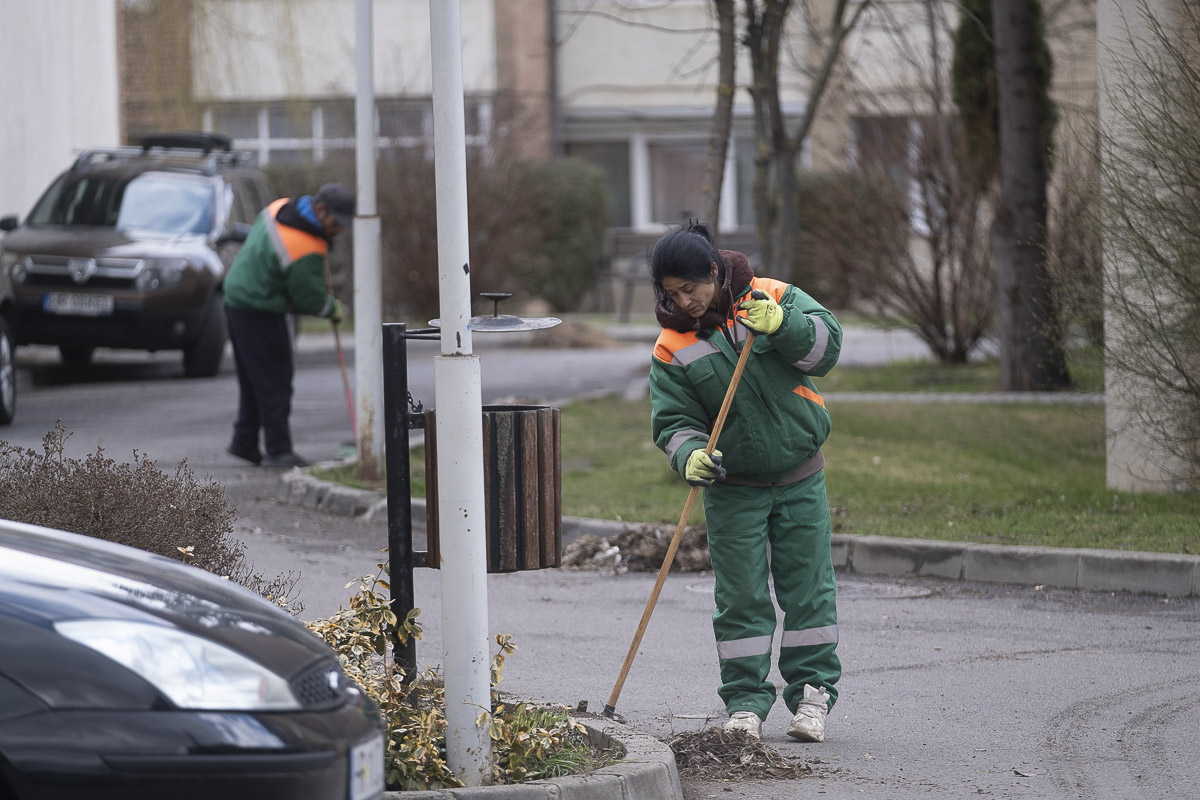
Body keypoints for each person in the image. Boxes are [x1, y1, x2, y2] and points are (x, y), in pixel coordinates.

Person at [647, 221, 842, 742]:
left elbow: (827, 351)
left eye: (691, 288)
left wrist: (784, 325)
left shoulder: (772, 296)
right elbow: (673, 421)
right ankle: (745, 705)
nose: (684, 301)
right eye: (671, 294)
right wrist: (687, 454)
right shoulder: (672, 346)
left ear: (713, 271)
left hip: (801, 475)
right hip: (733, 487)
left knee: (808, 591)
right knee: (741, 598)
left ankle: (812, 698)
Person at [223, 182, 353, 468]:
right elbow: (310, 299)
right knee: (275, 383)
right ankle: (279, 451)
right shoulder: (305, 246)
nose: (339, 229)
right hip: (260, 309)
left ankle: (244, 441)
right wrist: (334, 308)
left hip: (236, 299)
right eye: (335, 222)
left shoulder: (280, 206)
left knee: (253, 380)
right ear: (319, 210)